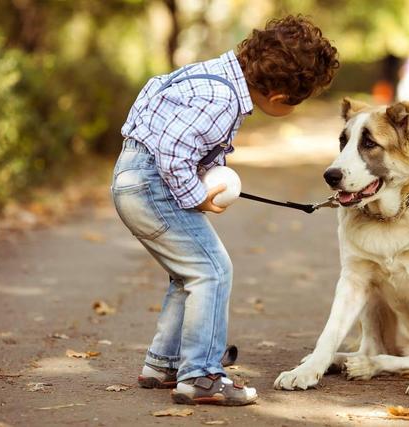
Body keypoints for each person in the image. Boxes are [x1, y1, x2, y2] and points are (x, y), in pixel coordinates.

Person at [111, 15, 339, 406]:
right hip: (152, 184)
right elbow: (171, 150)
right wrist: (194, 194)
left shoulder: (210, 73)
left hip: (132, 177)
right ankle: (200, 374)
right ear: (281, 97)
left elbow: (152, 100)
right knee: (213, 271)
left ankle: (163, 363)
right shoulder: (222, 99)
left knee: (190, 273)